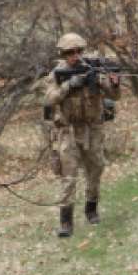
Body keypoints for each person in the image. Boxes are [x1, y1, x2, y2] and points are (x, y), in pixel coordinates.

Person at [43, 32, 121, 237]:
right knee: (68, 176)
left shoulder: (93, 69)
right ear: (63, 53)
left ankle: (91, 209)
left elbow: (114, 96)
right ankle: (66, 222)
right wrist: (69, 86)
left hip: (93, 129)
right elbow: (49, 100)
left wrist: (113, 82)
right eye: (70, 52)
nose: (75, 56)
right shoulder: (57, 74)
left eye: (78, 51)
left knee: (96, 168)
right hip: (68, 131)